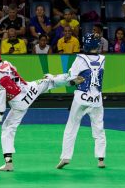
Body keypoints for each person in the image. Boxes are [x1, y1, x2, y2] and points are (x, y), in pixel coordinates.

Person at [0, 44, 84, 171]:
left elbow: (1, 92)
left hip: (19, 103)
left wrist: (0, 111)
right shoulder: (7, 64)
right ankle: (70, 80)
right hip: (29, 90)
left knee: (8, 128)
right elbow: (11, 83)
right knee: (48, 81)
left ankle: (8, 163)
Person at [45, 32, 107, 169]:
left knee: (71, 127)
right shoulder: (103, 59)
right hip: (97, 99)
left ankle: (66, 157)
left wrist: (53, 78)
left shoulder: (80, 59)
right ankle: (101, 159)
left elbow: (69, 77)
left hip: (81, 98)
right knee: (98, 128)